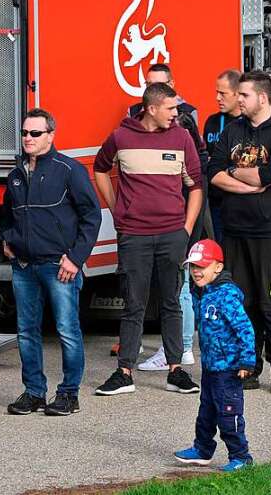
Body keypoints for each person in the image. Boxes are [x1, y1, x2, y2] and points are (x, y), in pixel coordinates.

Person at [93, 83, 202, 397]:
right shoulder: (121, 137)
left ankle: (175, 371)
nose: (175, 114)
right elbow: (100, 169)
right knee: (133, 305)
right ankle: (124, 372)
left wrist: (186, 227)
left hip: (172, 235)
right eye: (170, 108)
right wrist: (117, 210)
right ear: (152, 108)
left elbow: (196, 185)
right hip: (134, 235)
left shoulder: (182, 137)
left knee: (171, 303)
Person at [2, 108, 101, 417]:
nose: (27, 139)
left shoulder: (68, 169)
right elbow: (9, 212)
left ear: (51, 136)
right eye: (24, 133)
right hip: (24, 266)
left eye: (35, 133)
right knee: (26, 330)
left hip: (59, 266)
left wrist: (75, 258)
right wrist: (8, 239)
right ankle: (34, 392)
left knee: (67, 330)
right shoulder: (16, 173)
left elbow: (91, 216)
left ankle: (69, 394)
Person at [208, 71, 271, 395]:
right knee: (241, 304)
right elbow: (214, 173)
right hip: (235, 231)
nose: (238, 100)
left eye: (243, 95)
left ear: (262, 97)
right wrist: (244, 182)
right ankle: (249, 367)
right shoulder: (232, 130)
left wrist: (239, 175)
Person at [173, 239, 256, 473]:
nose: (197, 272)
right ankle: (202, 449)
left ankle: (241, 456)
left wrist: (247, 361)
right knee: (206, 412)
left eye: (202, 266)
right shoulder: (203, 293)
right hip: (211, 367)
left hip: (228, 369)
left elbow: (245, 329)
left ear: (218, 267)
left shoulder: (226, 295)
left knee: (228, 414)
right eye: (193, 267)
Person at [203, 69, 243, 241]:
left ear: (237, 94)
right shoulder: (212, 122)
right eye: (216, 92)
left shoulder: (248, 124)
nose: (217, 98)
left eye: (222, 93)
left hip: (241, 201)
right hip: (217, 202)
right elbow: (205, 158)